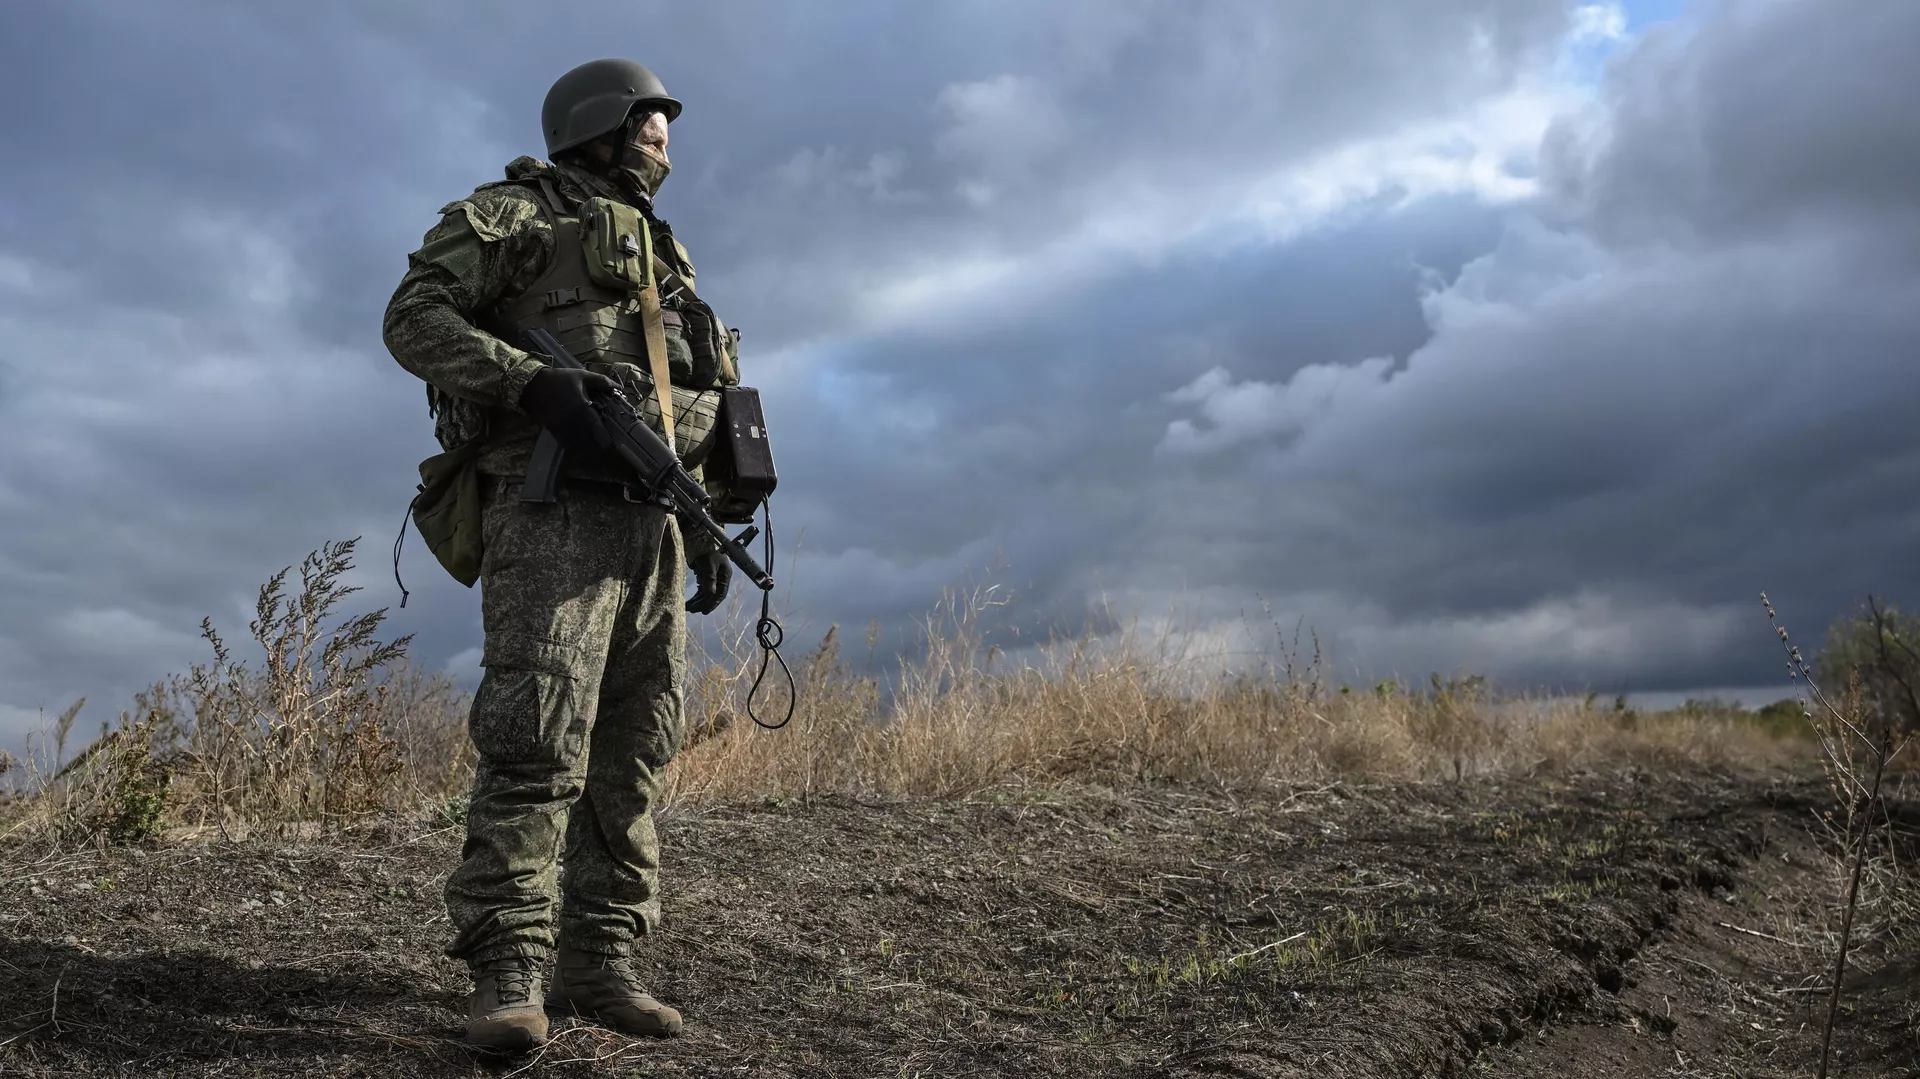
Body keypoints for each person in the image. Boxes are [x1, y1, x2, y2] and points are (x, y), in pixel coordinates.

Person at [382, 57, 741, 1051]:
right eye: (647, 117)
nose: (663, 132)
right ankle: (509, 970)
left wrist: (704, 519)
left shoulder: (668, 260)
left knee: (634, 751)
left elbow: (684, 406)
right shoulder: (512, 216)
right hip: (549, 514)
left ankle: (602, 964)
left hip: (652, 526)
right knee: (536, 739)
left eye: (665, 120)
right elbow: (411, 319)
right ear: (596, 121)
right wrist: (529, 383)